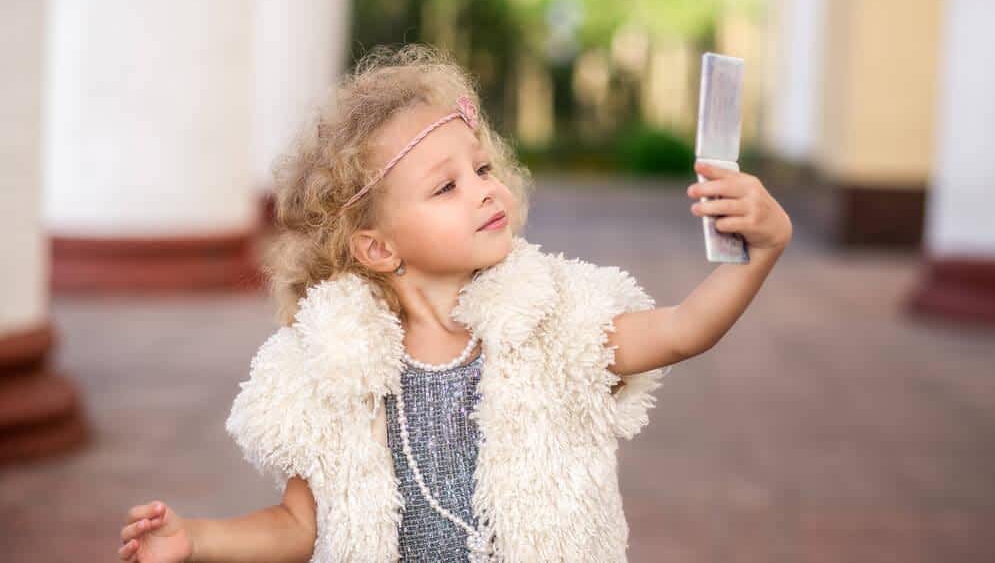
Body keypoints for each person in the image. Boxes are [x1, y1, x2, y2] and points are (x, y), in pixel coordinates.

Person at [117, 43, 792, 562]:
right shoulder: (330, 368)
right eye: (446, 187)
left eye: (482, 168)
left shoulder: (552, 320)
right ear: (377, 247)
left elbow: (679, 330)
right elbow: (300, 524)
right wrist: (196, 539)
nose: (483, 189)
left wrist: (759, 251)